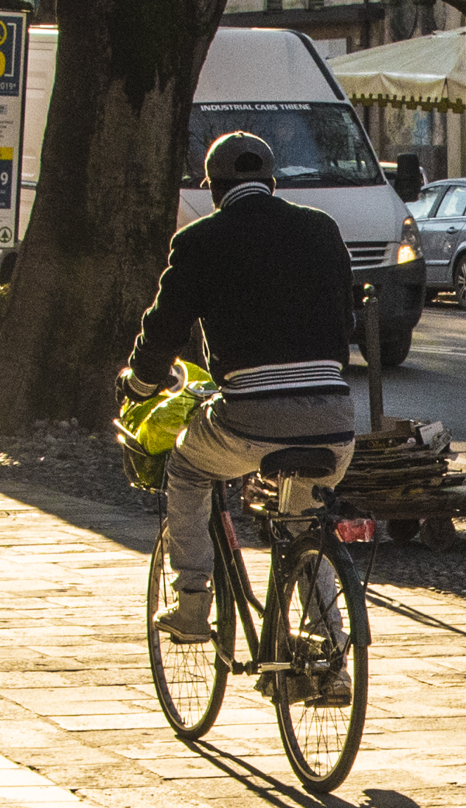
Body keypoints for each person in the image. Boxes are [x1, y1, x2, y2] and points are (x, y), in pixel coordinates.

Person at [122, 130, 356, 642]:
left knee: (187, 468)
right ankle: (331, 647)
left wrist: (140, 383)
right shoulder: (322, 229)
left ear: (214, 188)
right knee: (304, 517)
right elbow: (348, 318)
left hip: (250, 420)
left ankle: (191, 603)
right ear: (271, 182)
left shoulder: (199, 241)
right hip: (335, 423)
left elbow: (164, 329)